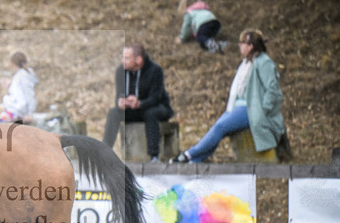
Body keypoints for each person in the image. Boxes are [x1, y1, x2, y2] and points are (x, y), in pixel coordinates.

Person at [173, 29, 285, 164]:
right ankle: (194, 160)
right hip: (240, 106)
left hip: (252, 109)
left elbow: (273, 90)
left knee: (220, 127)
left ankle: (189, 155)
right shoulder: (247, 62)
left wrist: (263, 110)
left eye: (242, 42)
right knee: (218, 127)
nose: (239, 45)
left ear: (250, 46)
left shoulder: (264, 63)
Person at [102, 43, 173, 162]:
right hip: (133, 110)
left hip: (158, 107)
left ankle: (154, 156)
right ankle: (104, 153)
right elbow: (119, 95)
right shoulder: (121, 71)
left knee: (151, 113)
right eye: (123, 57)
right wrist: (120, 103)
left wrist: (140, 103)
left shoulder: (155, 70)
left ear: (138, 60)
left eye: (126, 58)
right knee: (114, 113)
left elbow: (156, 98)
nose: (122, 61)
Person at [0, 52, 37, 122]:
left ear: (12, 64)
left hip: (17, 111)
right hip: (11, 107)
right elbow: (18, 91)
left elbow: (29, 95)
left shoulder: (24, 76)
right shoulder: (19, 75)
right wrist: (10, 85)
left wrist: (30, 114)